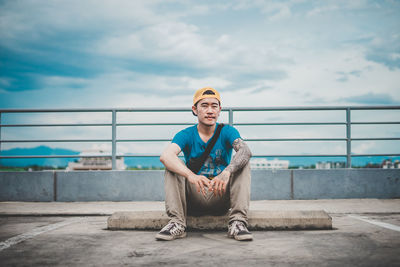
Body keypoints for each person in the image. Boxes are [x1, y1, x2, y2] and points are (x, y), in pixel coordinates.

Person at [156, 87, 253, 241]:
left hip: (220, 195)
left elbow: (245, 151)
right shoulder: (186, 134)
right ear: (195, 109)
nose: (210, 111)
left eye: (214, 106)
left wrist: (227, 171)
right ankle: (177, 223)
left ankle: (237, 222)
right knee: (172, 164)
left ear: (219, 110)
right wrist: (190, 175)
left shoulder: (227, 131)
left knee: (242, 162)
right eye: (204, 106)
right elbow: (166, 156)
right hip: (194, 197)